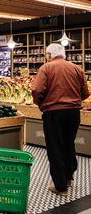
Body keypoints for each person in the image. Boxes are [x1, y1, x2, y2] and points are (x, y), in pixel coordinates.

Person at [31, 43, 89, 196]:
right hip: (73, 113)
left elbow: (36, 90)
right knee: (68, 144)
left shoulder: (46, 68)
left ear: (49, 55)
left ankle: (60, 186)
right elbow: (86, 92)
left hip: (54, 113)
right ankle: (69, 177)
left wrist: (41, 104)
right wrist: (74, 100)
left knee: (55, 147)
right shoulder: (77, 69)